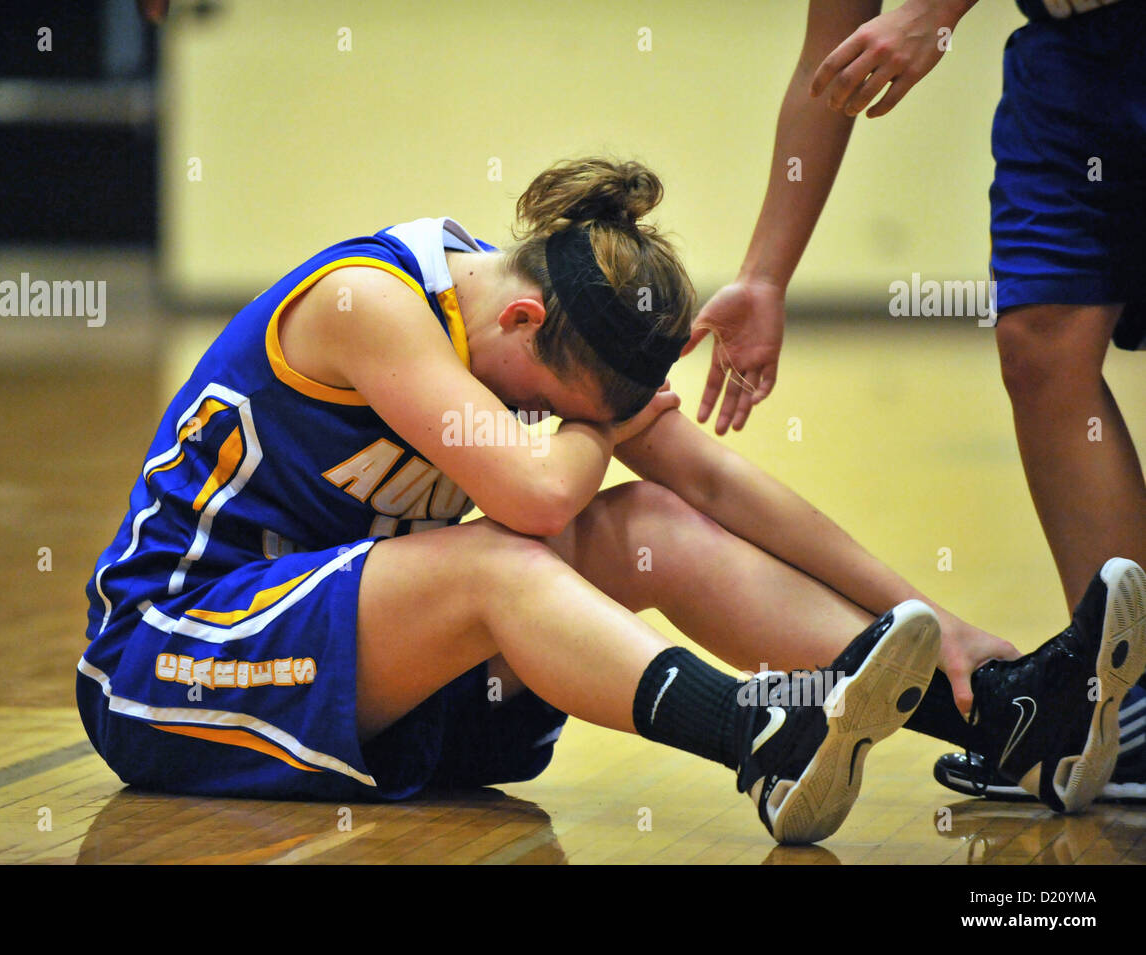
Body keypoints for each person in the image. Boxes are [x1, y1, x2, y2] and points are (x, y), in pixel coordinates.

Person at [76, 157, 1145, 844]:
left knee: (653, 527)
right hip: (176, 656)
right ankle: (755, 736)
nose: (571, 427)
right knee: (509, 552)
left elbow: (720, 486)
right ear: (522, 317)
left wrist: (940, 622)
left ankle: (1005, 717)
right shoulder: (370, 304)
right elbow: (537, 496)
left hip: (376, 678)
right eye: (561, 406)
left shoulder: (548, 330)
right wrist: (592, 430)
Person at [686, 0, 1146, 801]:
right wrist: (764, 274)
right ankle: (1132, 696)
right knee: (1041, 342)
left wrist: (934, 10)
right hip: (1070, 63)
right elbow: (827, 61)